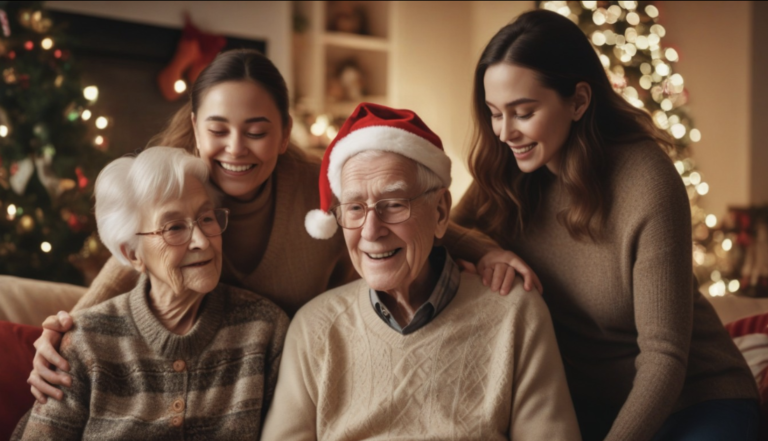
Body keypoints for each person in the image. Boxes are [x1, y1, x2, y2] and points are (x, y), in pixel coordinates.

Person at [27, 49, 541, 404]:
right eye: (218, 129)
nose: (235, 149)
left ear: (283, 133)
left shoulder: (320, 181)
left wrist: (486, 250)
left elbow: (397, 208)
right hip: (209, 369)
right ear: (196, 124)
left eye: (256, 131)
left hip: (304, 363)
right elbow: (135, 253)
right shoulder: (178, 183)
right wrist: (66, 328)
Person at [453, 10, 760, 441]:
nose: (504, 133)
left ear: (579, 101)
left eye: (522, 112)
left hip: (695, 401)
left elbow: (664, 358)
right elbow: (439, 230)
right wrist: (487, 250)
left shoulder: (645, 180)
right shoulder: (509, 169)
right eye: (493, 113)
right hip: (591, 408)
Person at [261, 103, 580, 441]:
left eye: (394, 204)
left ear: (441, 212)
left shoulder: (515, 312)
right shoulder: (314, 328)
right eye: (355, 208)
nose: (370, 231)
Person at [13, 147, 289, 440]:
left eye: (206, 218)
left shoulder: (263, 329)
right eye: (174, 227)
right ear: (133, 254)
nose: (201, 241)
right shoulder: (85, 342)